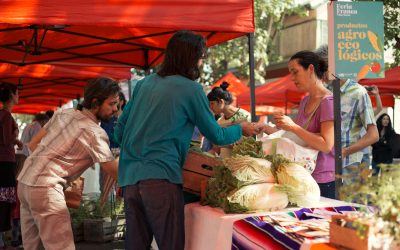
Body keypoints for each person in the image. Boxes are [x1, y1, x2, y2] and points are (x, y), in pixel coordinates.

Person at [114, 30, 259, 250]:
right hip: (162, 177)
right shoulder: (191, 89)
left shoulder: (144, 84)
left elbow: (118, 133)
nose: (202, 63)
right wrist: (242, 128)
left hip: (129, 178)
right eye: (202, 57)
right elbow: (217, 135)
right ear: (191, 58)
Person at [17, 77, 120, 250]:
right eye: (112, 104)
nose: (116, 109)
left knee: (33, 247)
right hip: (45, 189)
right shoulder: (95, 133)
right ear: (95, 102)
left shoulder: (64, 113)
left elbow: (34, 144)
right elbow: (114, 171)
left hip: (25, 181)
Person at [261, 51, 335, 198]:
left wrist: (293, 127)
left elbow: (326, 145)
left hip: (321, 179)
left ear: (311, 69)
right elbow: (302, 137)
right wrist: (273, 129)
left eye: (295, 72)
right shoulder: (305, 101)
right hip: (300, 175)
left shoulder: (328, 101)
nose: (292, 78)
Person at [315, 45, 378, 184]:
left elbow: (373, 135)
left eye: (320, 69)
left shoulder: (358, 93)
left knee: (349, 205)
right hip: (325, 164)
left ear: (331, 66)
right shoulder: (324, 92)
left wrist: (345, 151)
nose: (318, 73)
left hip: (350, 165)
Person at [0, 83, 22, 249]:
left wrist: (15, 139)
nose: (18, 95)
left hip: (3, 161)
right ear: (12, 95)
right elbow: (7, 140)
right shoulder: (6, 116)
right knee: (5, 199)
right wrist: (15, 135)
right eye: (17, 93)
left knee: (3, 198)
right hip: (5, 162)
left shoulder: (2, 115)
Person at [207, 81, 251, 157]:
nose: (210, 107)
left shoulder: (245, 116)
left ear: (221, 102)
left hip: (241, 164)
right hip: (223, 165)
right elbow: (215, 149)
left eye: (212, 104)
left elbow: (252, 144)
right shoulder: (219, 122)